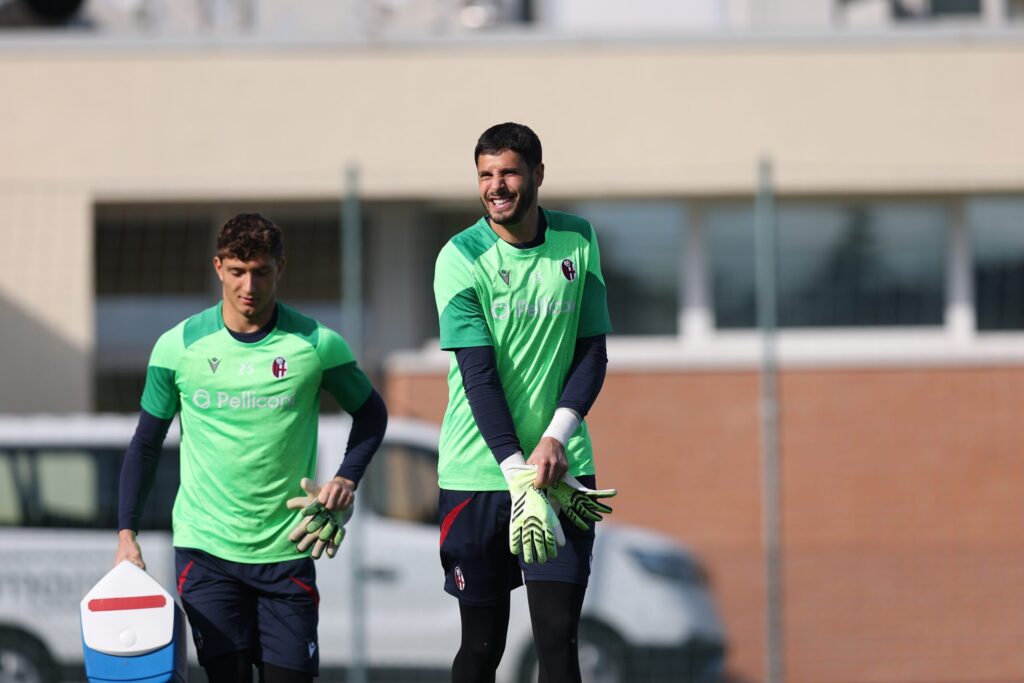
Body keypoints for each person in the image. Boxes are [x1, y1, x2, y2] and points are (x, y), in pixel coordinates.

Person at [116, 212, 388, 683]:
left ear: (280, 268)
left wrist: (346, 478)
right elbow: (145, 443)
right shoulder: (176, 347)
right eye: (238, 271)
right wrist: (126, 535)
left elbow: (371, 414)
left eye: (261, 271)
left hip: (287, 550)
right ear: (218, 266)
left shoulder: (317, 345)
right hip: (206, 553)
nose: (249, 285)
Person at [433, 122, 617, 683]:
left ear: (537, 174)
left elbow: (592, 353)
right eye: (486, 175)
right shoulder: (460, 256)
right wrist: (517, 473)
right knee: (482, 648)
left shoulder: (578, 239)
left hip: (559, 471)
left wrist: (556, 437)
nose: (497, 186)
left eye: (509, 172)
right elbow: (478, 379)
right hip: (480, 475)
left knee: (557, 643)